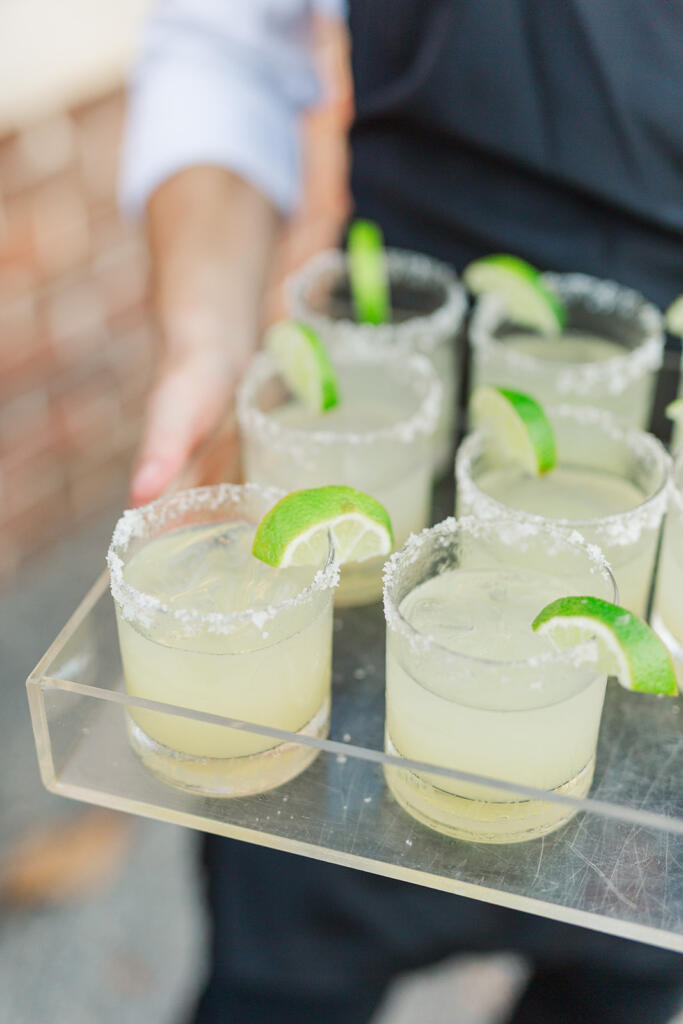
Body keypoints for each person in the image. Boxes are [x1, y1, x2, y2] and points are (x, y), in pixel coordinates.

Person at [121, 3, 683, 1022]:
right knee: (277, 983)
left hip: (652, 588)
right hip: (369, 570)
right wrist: (203, 339)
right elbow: (220, 49)